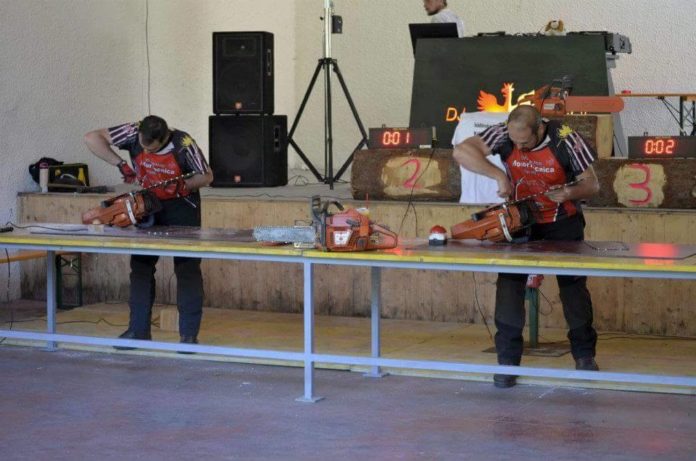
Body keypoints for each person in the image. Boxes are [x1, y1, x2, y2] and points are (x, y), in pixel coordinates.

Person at [453, 106, 601, 388]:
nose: (519, 147)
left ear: (540, 128)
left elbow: (593, 185)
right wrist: (499, 176)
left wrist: (569, 192)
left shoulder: (566, 138)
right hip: (520, 222)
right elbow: (462, 152)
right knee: (509, 287)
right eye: (515, 142)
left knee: (573, 288)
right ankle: (507, 362)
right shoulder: (504, 133)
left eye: (525, 142)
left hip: (562, 223)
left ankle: (584, 356)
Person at [84, 115, 213, 349]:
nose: (145, 151)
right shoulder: (133, 131)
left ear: (164, 138)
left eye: (151, 149)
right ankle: (138, 330)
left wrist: (182, 186)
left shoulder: (183, 143)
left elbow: (206, 176)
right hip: (148, 206)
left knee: (187, 269)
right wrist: (120, 164)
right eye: (142, 147)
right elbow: (92, 138)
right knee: (141, 267)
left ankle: (188, 336)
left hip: (182, 208)